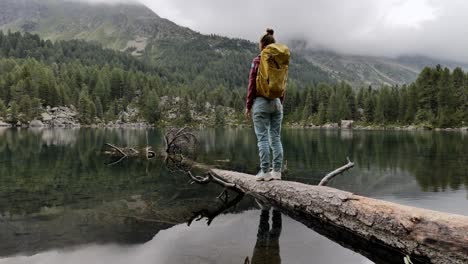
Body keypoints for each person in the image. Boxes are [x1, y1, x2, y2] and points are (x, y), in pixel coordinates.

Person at [245, 28, 285, 181]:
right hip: (276, 102)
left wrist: (248, 106)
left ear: (262, 45)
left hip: (261, 103)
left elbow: (251, 85)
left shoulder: (257, 60)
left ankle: (265, 172)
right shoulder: (279, 61)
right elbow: (283, 84)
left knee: (262, 138)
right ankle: (277, 172)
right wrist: (280, 102)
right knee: (275, 137)